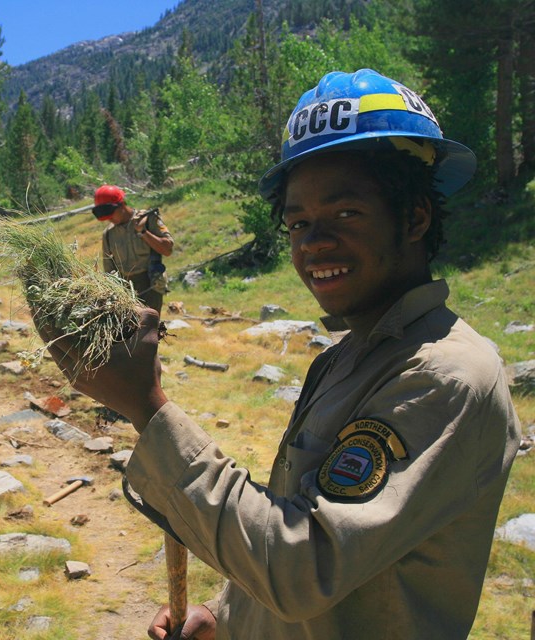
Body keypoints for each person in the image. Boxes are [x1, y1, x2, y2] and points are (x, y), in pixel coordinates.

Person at [38, 69, 521, 640]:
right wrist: (227, 615)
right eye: (299, 222)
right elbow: (299, 516)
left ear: (415, 218)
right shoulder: (345, 358)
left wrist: (148, 408)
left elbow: (301, 568)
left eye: (346, 214)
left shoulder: (443, 375)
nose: (314, 242)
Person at [92, 184, 174, 314]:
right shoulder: (108, 234)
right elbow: (109, 271)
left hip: (150, 284)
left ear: (122, 204)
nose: (110, 220)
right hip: (124, 291)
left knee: (148, 327)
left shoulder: (147, 219)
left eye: (112, 215)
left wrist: (143, 232)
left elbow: (167, 249)